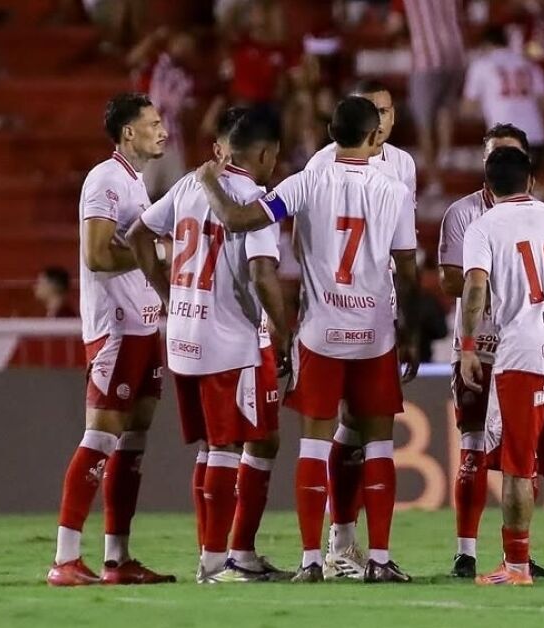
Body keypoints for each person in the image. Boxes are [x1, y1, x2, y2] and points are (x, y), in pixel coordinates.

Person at [194, 96, 420, 583]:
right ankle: (379, 559)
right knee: (378, 446)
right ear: (374, 137)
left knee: (314, 446)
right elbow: (406, 267)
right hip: (375, 334)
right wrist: (412, 332)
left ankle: (312, 560)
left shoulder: (305, 181)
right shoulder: (395, 190)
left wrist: (209, 180)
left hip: (320, 333)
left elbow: (239, 219)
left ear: (331, 133)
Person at [127, 106, 291, 583]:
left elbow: (138, 235)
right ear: (266, 154)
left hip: (184, 333)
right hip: (228, 338)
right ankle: (218, 562)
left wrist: (169, 295)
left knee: (217, 445)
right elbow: (262, 273)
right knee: (226, 446)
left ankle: (226, 555)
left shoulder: (189, 185)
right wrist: (283, 331)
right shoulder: (256, 202)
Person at [46, 92, 173, 587]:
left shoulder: (135, 182)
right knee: (100, 435)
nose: (163, 131)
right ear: (128, 132)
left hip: (144, 324)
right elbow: (97, 256)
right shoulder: (104, 179)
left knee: (133, 437)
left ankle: (117, 560)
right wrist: (155, 256)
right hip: (116, 327)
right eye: (153, 123)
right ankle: (65, 558)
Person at [458, 146, 544, 586]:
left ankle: (516, 567)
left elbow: (475, 287)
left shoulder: (483, 225)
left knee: (518, 466)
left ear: (487, 188)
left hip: (522, 355)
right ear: (531, 181)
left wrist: (467, 346)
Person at [304, 79, 417, 579]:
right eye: (373, 112)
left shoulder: (402, 166)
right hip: (352, 316)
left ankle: (340, 546)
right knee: (358, 430)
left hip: (362, 315)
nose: (381, 119)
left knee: (351, 427)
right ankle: (343, 543)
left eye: (386, 110)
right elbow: (407, 260)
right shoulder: (322, 167)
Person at [437, 123, 544, 579]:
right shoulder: (463, 214)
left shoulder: (543, 215)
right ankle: (465, 553)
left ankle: (518, 554)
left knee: (522, 456)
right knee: (471, 448)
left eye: (509, 154)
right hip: (479, 347)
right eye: (493, 156)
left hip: (522, 348)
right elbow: (449, 279)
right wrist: (488, 278)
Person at [388, 0, 465, 195]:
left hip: (426, 60)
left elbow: (394, 25)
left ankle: (434, 180)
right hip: (455, 55)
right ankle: (445, 154)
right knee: (445, 110)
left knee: (424, 123)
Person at [461, 25, 544, 170]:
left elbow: (467, 109)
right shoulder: (529, 64)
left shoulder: (481, 64)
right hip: (535, 137)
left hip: (504, 141)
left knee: (504, 183)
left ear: (485, 44)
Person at [127, 28, 195, 202]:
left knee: (177, 197)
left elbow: (187, 114)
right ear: (172, 44)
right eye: (181, 43)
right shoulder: (156, 64)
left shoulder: (188, 77)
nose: (184, 48)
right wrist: (152, 38)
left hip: (173, 141)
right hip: (148, 138)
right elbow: (132, 60)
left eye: (188, 46)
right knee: (142, 195)